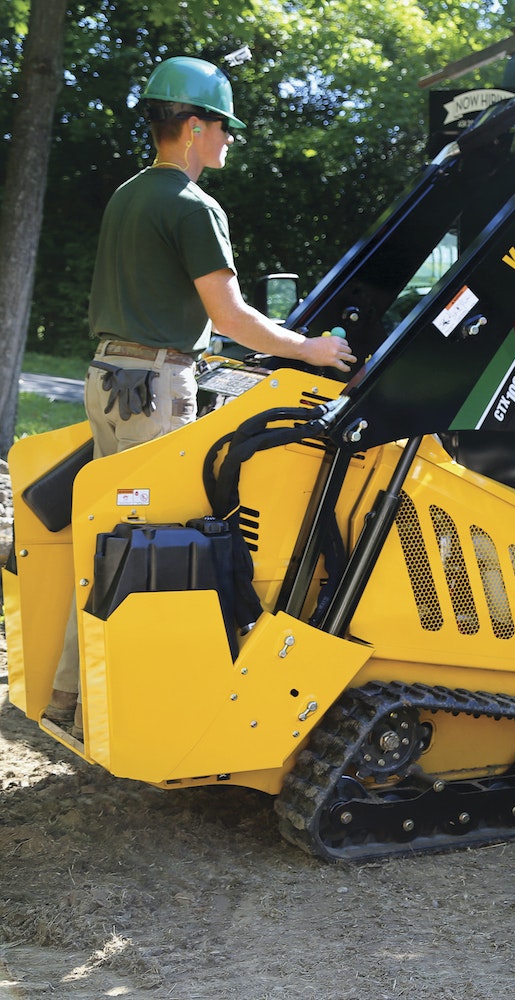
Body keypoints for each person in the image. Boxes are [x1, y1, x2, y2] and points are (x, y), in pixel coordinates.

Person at [41, 55, 357, 736]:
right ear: (191, 126)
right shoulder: (191, 205)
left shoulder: (129, 195)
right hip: (153, 387)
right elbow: (236, 315)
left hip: (109, 379)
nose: (229, 139)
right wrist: (313, 350)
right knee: (150, 550)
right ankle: (116, 712)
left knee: (112, 543)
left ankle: (72, 699)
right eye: (223, 125)